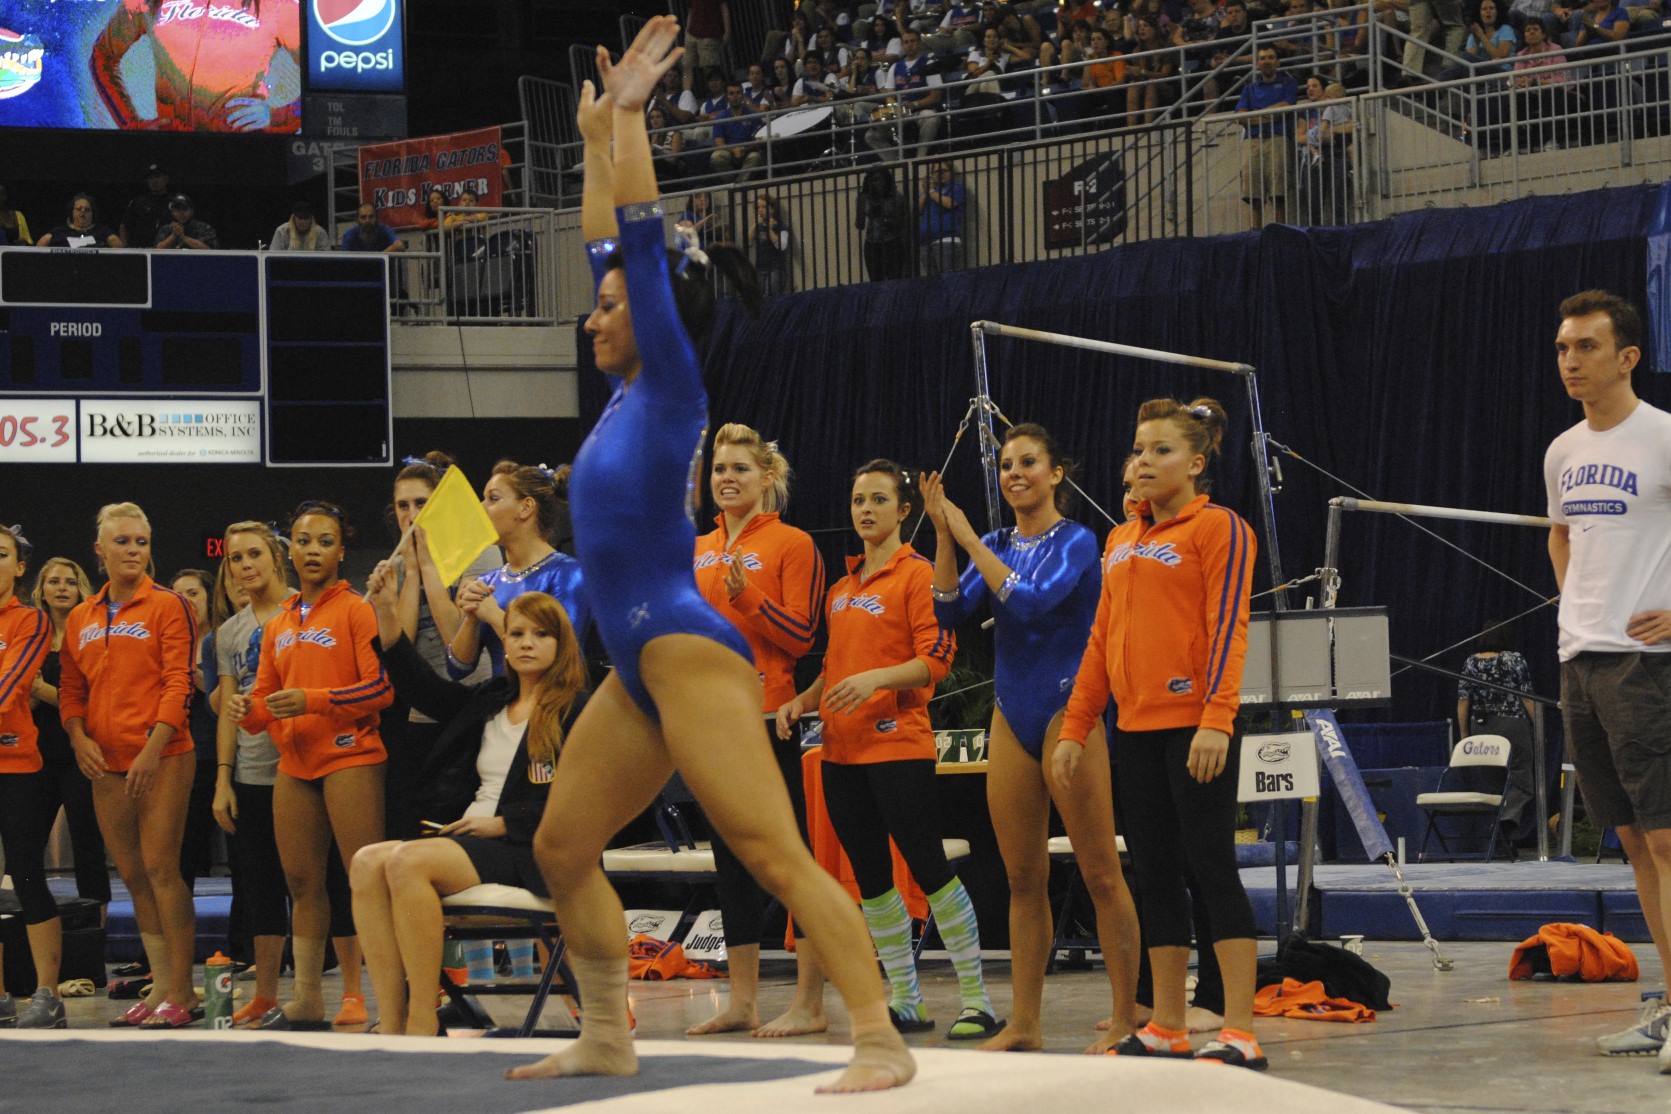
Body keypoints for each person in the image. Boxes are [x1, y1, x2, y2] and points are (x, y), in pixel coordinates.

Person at [508, 20, 914, 1092]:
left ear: (650, 318)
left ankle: (878, 1038)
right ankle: (606, 1029)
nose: (591, 319)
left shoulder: (675, 382)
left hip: (689, 651)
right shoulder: (627, 397)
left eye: (607, 309)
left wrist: (635, 120)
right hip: (637, 669)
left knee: (775, 853)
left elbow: (636, 241)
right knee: (561, 845)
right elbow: (612, 242)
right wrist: (596, 138)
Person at [922, 424, 1142, 1053]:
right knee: (1022, 880)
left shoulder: (1076, 540)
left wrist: (967, 539)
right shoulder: (993, 542)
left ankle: (1126, 1016)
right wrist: (944, 535)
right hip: (1012, 714)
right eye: (1006, 464)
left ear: (1056, 474)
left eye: (1028, 463)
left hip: (1068, 714)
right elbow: (947, 613)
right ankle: (1025, 1022)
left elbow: (1033, 605)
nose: (1014, 472)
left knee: (1101, 873)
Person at [1060, 397, 1264, 1070]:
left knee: (1209, 867)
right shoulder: (1120, 540)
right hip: (1134, 730)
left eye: (1159, 450)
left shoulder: (1220, 529)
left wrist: (1215, 718)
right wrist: (1076, 724)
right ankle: (1168, 1024)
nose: (1141, 461)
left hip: (1192, 728)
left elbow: (1228, 626)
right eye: (1137, 449)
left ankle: (1239, 1029)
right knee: (1153, 875)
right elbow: (1098, 643)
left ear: (1196, 464)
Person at [778, 459, 1000, 1043]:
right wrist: (799, 703)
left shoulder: (918, 575)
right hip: (839, 754)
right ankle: (905, 998)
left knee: (929, 870)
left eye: (878, 500)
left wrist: (877, 679)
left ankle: (976, 1000)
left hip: (898, 747)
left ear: (905, 512)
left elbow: (938, 660)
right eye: (858, 500)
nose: (866, 510)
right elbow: (833, 671)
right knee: (872, 882)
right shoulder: (842, 587)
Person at [354, 585, 587, 1037]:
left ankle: (423, 1014)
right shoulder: (492, 697)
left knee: (407, 860)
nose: (525, 642)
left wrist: (505, 822)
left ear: (561, 645)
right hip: (472, 840)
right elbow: (422, 688)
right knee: (366, 863)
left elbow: (586, 803)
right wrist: (385, 612)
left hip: (529, 847)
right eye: (516, 633)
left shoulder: (576, 710)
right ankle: (393, 1015)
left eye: (540, 634)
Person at [1541, 291, 1671, 1060]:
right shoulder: (1560, 450)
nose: (1568, 361)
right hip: (1579, 662)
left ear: (1625, 357)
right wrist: (1575, 611)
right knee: (1630, 841)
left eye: (1585, 346)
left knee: (1666, 842)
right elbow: (1562, 536)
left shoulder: (1662, 437)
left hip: (1647, 667)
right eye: (1562, 347)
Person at [685, 424, 828, 1039]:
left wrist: (749, 602)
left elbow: (803, 639)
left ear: (766, 478)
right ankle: (741, 1001)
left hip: (775, 721)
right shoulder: (697, 548)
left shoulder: (793, 544)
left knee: (791, 860)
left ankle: (809, 1003)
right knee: (731, 865)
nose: (726, 479)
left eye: (740, 469)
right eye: (719, 469)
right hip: (714, 723)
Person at [228, 501, 390, 1030]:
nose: (313, 550)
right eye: (303, 540)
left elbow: (380, 689)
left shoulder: (356, 609)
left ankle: (366, 996)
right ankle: (307, 998)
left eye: (325, 541)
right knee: (300, 882)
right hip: (294, 766)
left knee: (359, 878)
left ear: (342, 550)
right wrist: (244, 710)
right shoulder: (278, 623)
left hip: (350, 757)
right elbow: (264, 701)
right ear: (289, 550)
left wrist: (314, 700)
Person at [59, 502, 200, 1028]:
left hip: (163, 755)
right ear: (100, 551)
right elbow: (72, 688)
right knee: (134, 875)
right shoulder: (81, 617)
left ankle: (183, 991)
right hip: (105, 762)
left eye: (141, 542)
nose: (134, 551)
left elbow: (178, 681)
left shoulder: (168, 606)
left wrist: (152, 746)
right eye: (122, 542)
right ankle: (160, 983)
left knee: (163, 869)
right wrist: (77, 736)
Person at [448, 462, 588, 682]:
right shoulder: (489, 581)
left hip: (550, 708)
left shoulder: (569, 574)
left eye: (493, 499)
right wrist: (471, 618)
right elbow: (457, 668)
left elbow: (560, 656)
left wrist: (494, 615)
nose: (481, 508)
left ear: (526, 507)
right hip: (502, 707)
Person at [0, 525, 61, 1028]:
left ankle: (48, 993)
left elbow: (12, 683)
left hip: (17, 767)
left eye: (2, 555)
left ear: (20, 566)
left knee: (26, 877)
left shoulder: (31, 620)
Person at [27, 559, 111, 921]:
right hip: (36, 753)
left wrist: (44, 690)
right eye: (54, 581)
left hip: (82, 751)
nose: (62, 588)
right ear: (41, 590)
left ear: (81, 589)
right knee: (25, 846)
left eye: (70, 582)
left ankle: (96, 931)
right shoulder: (29, 635)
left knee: (87, 843)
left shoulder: (91, 633)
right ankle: (25, 924)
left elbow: (96, 701)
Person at [90, 0, 301, 132]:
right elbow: (103, 55)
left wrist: (277, 118)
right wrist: (130, 124)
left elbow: (326, 80)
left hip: (241, 159)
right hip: (170, 158)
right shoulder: (151, 1)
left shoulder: (276, 5)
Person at [1456, 619, 1539, 848]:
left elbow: (1463, 700)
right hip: (1512, 724)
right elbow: (1526, 696)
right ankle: (1506, 820)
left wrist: (1464, 733)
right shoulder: (1514, 660)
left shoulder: (1471, 662)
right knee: (1522, 778)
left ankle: (1499, 837)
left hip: (1482, 726)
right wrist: (1537, 726)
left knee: (1494, 783)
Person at [170, 569, 222, 894]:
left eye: (193, 593)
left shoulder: (222, 639)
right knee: (184, 851)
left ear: (209, 597)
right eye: (178, 595)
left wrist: (191, 674)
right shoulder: (168, 643)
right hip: (185, 757)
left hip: (227, 753)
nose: (185, 602)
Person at [1235, 47, 1298, 229]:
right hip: (1252, 141)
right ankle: (1256, 231)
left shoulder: (1288, 83)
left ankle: (1280, 231)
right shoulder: (1249, 88)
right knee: (1253, 190)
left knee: (1279, 190)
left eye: (1271, 57)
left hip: (1277, 138)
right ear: (1257, 63)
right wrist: (1268, 114)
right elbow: (1240, 117)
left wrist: (1254, 116)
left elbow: (1283, 109)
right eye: (1263, 58)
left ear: (1277, 62)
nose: (1267, 61)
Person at [918, 161, 966, 276]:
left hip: (946, 240)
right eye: (937, 172)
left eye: (944, 171)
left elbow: (949, 203)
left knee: (948, 278)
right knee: (932, 282)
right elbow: (918, 209)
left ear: (951, 172)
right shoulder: (929, 192)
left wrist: (931, 191)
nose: (941, 174)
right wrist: (926, 191)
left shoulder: (956, 188)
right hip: (926, 241)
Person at [35, 194, 122, 249]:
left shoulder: (103, 231)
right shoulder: (59, 231)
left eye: (87, 210)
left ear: (93, 213)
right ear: (72, 212)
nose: (83, 212)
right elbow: (40, 246)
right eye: (78, 209)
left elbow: (119, 248)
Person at [119, 165, 169, 248]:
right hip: (141, 250)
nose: (154, 181)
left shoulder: (175, 202)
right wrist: (124, 247)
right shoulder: (138, 202)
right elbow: (124, 226)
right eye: (150, 178)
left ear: (166, 178)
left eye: (158, 177)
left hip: (166, 250)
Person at [751, 194, 792, 296]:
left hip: (775, 269)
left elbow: (781, 246)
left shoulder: (781, 227)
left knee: (771, 297)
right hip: (760, 269)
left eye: (764, 207)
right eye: (758, 207)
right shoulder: (758, 227)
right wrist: (756, 224)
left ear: (772, 209)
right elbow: (747, 241)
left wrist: (769, 229)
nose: (760, 210)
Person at [342, 204, 408, 253]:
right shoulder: (349, 234)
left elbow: (400, 245)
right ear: (357, 220)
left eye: (371, 217)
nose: (367, 221)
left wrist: (377, 259)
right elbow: (345, 258)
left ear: (377, 218)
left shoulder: (385, 230)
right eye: (363, 217)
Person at [0, 184, 31, 248]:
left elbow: (26, 240)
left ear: (6, 196)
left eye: (2, 194)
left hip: (14, 253)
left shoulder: (18, 215)